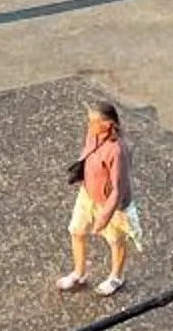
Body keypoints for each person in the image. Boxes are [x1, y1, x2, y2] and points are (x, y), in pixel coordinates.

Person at [59, 100, 141, 296]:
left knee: (115, 240)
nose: (89, 126)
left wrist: (104, 217)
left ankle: (116, 277)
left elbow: (118, 189)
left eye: (93, 122)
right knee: (77, 231)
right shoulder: (93, 134)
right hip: (88, 195)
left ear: (107, 125)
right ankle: (79, 272)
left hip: (111, 205)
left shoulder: (116, 150)